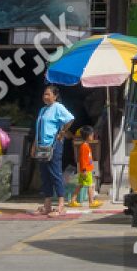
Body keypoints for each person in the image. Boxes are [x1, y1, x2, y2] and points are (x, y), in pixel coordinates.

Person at [36, 85, 75, 217]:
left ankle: (61, 205)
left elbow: (70, 118)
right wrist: (34, 145)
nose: (45, 97)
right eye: (44, 94)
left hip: (54, 145)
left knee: (55, 173)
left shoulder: (58, 107)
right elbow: (39, 128)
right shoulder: (43, 109)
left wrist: (62, 132)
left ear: (55, 96)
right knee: (45, 174)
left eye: (48, 94)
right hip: (41, 146)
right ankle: (47, 205)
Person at [70, 126, 103, 208]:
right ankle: (91, 202)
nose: (93, 136)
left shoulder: (85, 145)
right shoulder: (84, 146)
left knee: (80, 185)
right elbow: (83, 159)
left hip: (85, 169)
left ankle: (73, 200)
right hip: (86, 170)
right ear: (88, 136)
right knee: (90, 185)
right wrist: (84, 170)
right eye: (92, 135)